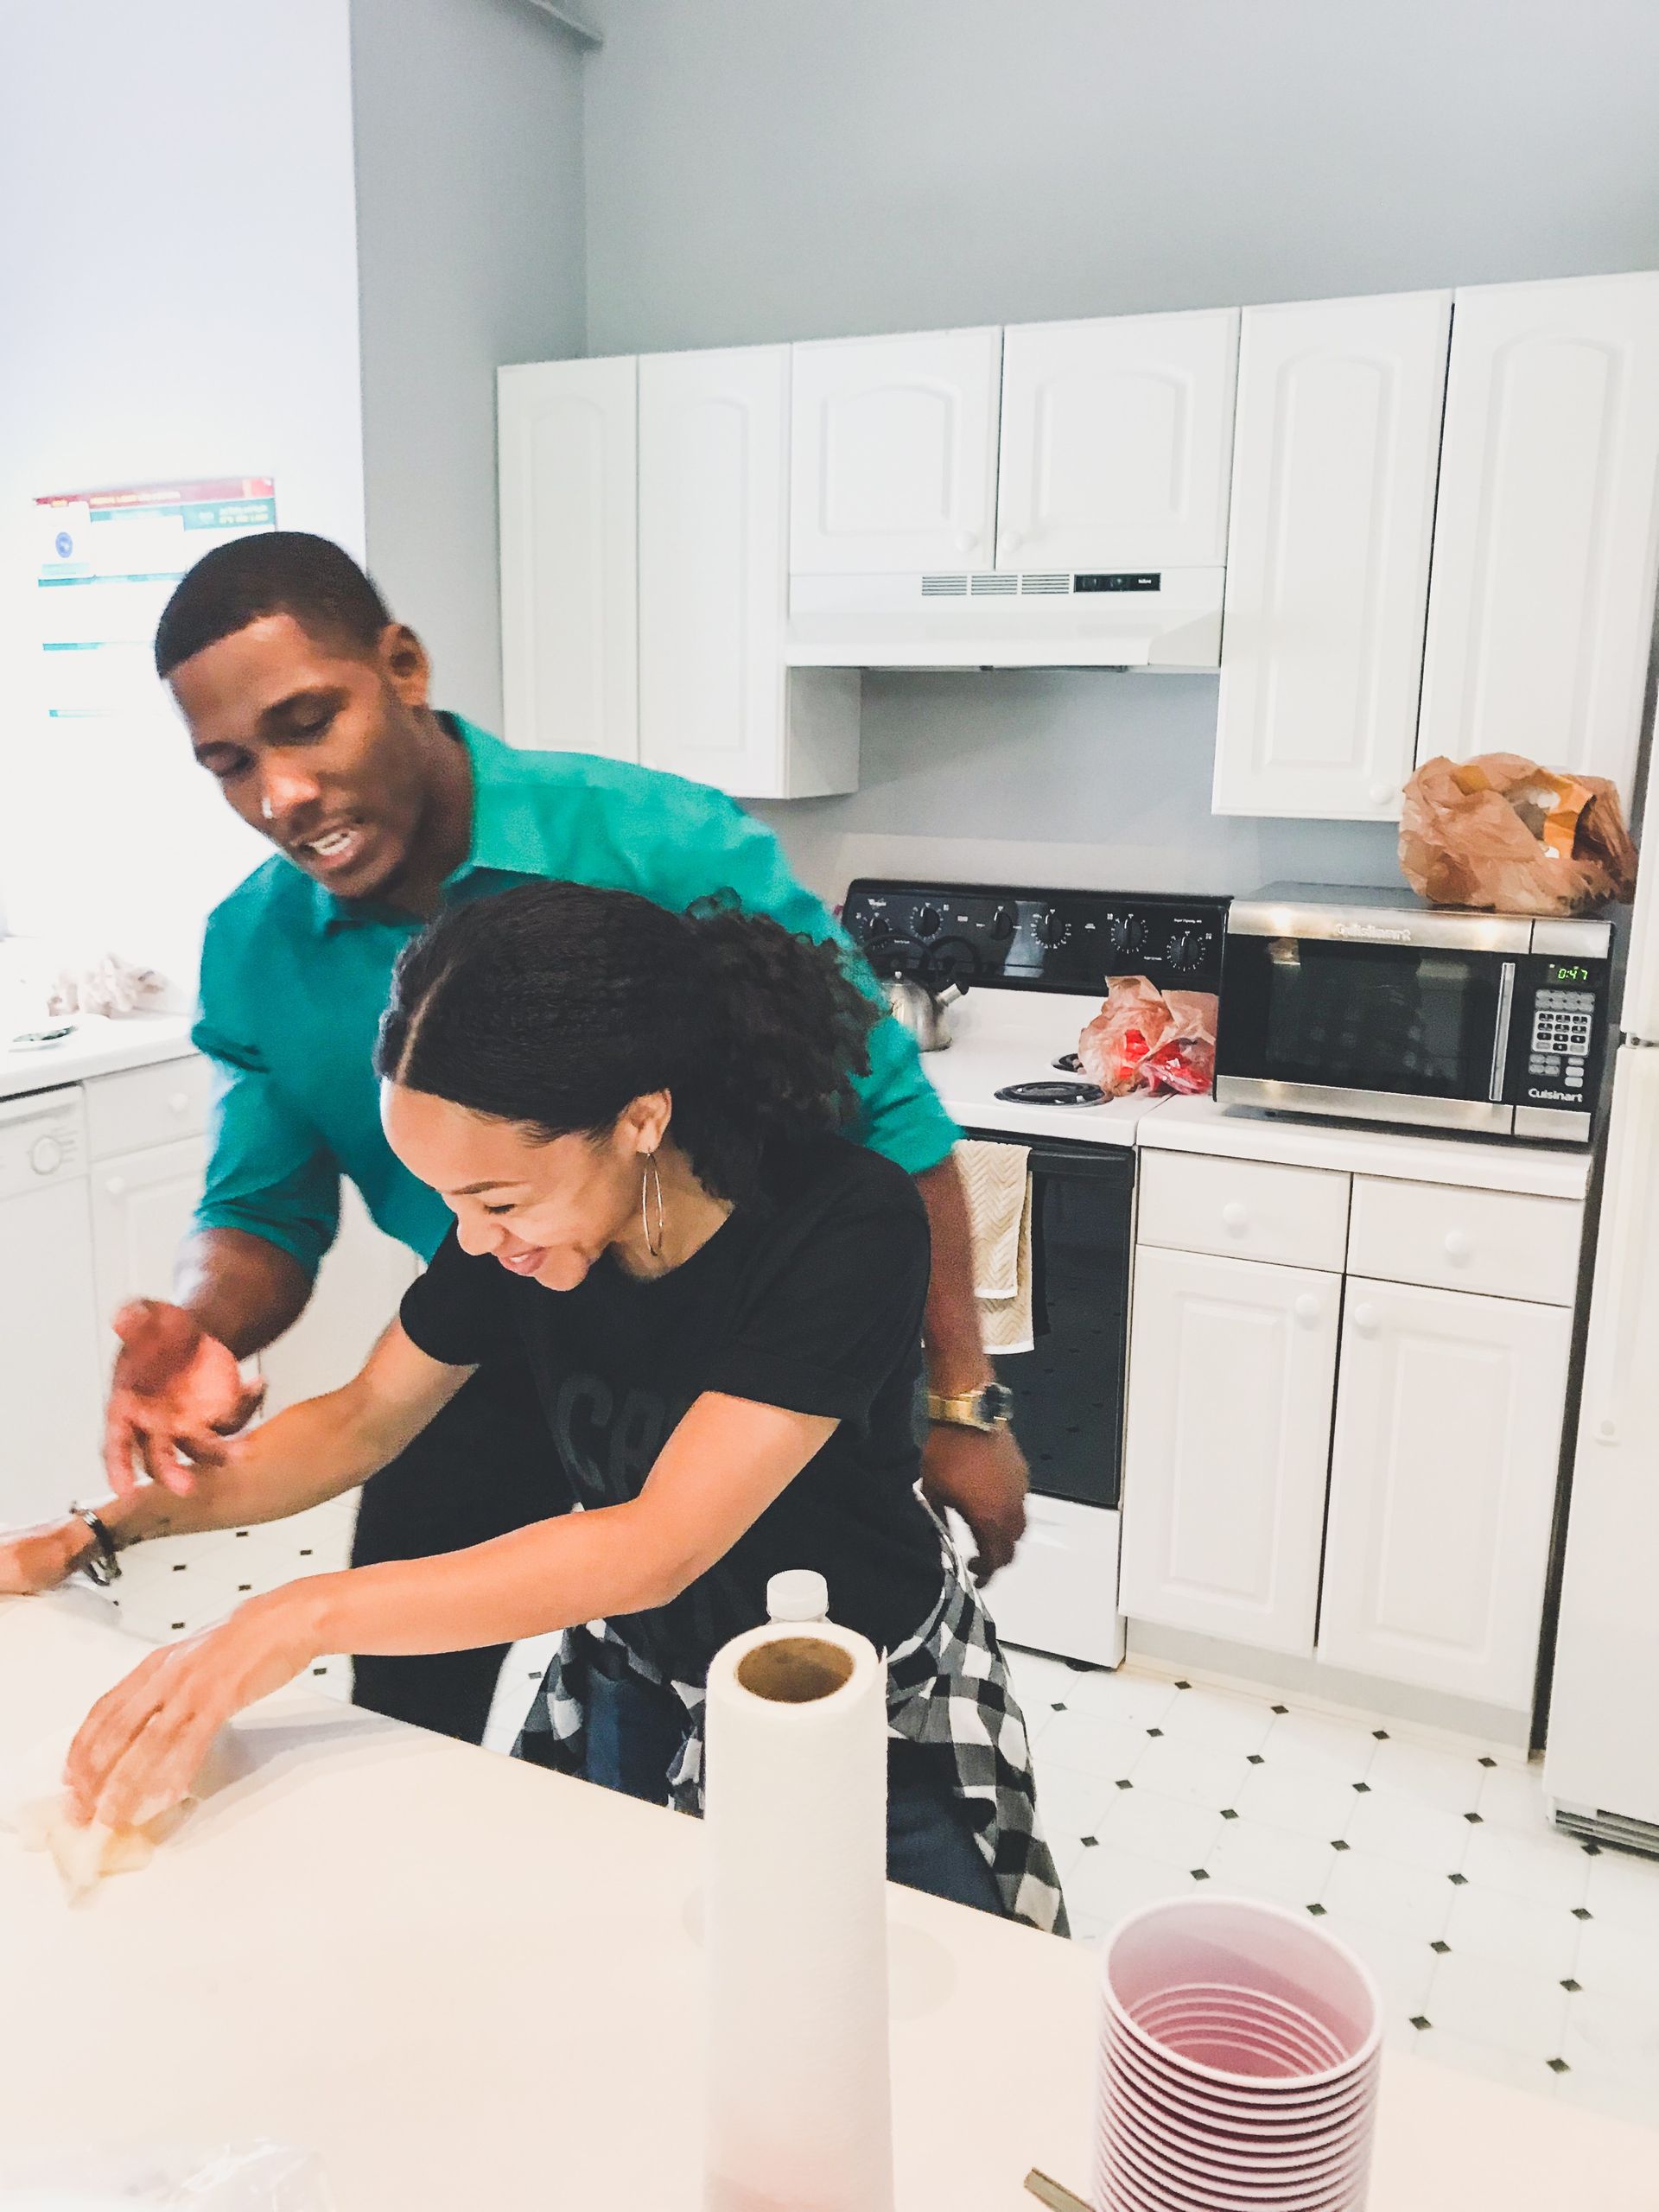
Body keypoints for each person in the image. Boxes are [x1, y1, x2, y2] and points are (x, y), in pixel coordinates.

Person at [96, 531, 1027, 1745]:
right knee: (412, 1689)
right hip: (511, 1319)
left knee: (752, 1618)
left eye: (307, 724)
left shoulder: (660, 845)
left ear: (403, 666)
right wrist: (198, 1329)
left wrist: (962, 1403)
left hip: (744, 1343)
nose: (279, 796)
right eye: (229, 764)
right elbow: (267, 1215)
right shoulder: (258, 952)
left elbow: (892, 1132)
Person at [27, 883, 1065, 1934]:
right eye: (452, 1202)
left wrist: (290, 1618)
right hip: (635, 1678)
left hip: (847, 1700)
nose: (476, 1240)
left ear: (641, 1120)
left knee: (917, 1990)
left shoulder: (841, 1224)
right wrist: (90, 1533)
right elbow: (359, 1421)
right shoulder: (523, 1235)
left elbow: (658, 1543)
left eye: (498, 1201)